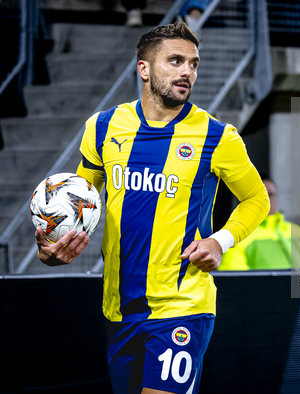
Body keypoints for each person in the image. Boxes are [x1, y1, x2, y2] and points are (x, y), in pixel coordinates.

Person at [34, 20, 269, 394]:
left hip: (182, 305)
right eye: (175, 61)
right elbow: (80, 202)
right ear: (144, 68)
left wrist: (220, 241)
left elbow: (257, 199)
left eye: (193, 63)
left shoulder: (218, 137)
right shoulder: (102, 127)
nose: (186, 72)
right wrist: (51, 248)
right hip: (119, 308)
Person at [218, 175, 300, 270]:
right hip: (265, 288)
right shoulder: (238, 236)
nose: (266, 200)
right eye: (259, 195)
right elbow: (234, 281)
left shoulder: (299, 232)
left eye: (270, 194)